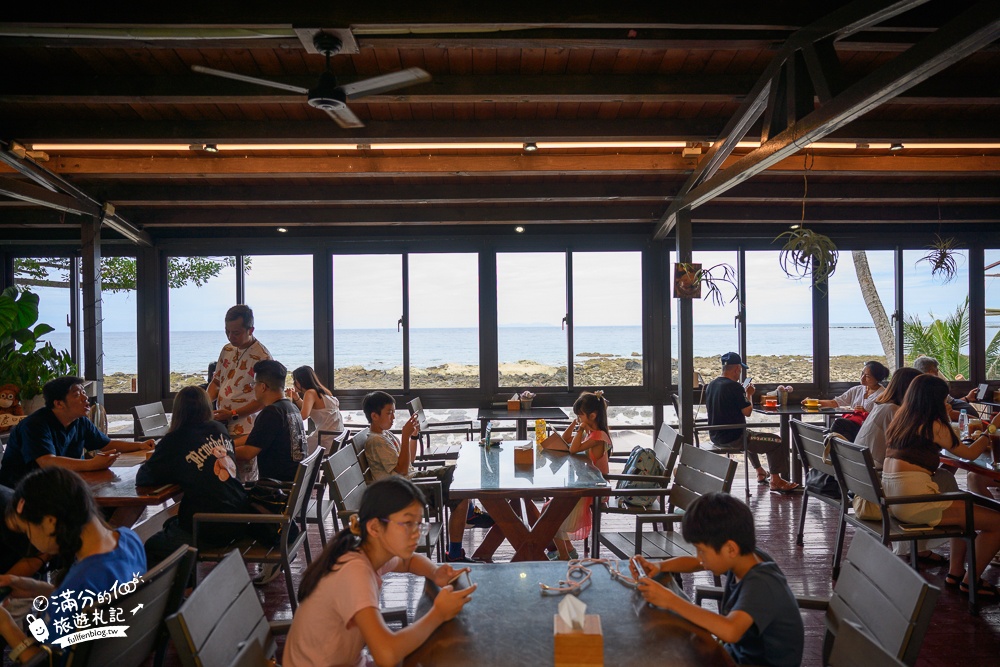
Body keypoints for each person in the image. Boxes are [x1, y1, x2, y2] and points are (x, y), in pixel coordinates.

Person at [283, 476, 475, 667]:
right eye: (408, 523)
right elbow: (386, 655)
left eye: (419, 524)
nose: (416, 533)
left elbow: (408, 562)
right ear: (375, 527)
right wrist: (438, 613)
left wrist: (434, 572)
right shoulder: (354, 571)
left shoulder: (367, 550)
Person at [630, 492, 803, 667]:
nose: (699, 557)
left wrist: (670, 600)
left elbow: (731, 631)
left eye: (701, 550)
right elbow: (697, 563)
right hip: (734, 655)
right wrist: (661, 566)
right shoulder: (746, 558)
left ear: (730, 549)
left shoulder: (762, 584)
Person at [0, 468, 147, 664]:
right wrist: (41, 589)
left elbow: (46, 664)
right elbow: (87, 599)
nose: (30, 540)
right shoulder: (128, 540)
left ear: (51, 522)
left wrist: (6, 624)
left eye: (27, 531)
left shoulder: (79, 585)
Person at [883, 374, 1000, 598]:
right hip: (916, 504)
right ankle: (971, 581)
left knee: (957, 496)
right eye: (944, 398)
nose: (947, 401)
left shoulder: (902, 419)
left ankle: (956, 574)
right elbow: (970, 454)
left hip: (896, 500)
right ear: (935, 400)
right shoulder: (933, 424)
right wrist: (991, 429)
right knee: (997, 522)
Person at [137, 386, 250, 568]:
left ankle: (178, 593)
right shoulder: (219, 428)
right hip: (240, 518)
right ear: (207, 407)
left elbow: (145, 478)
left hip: (209, 527)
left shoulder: (175, 439)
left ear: (178, 410)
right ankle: (188, 586)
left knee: (152, 546)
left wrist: (160, 460)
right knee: (171, 525)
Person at [362, 391, 477, 563]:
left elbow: (410, 461)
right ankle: (470, 519)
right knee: (455, 478)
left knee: (457, 484)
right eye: (389, 413)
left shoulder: (385, 435)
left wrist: (413, 436)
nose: (393, 416)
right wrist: (406, 435)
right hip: (402, 493)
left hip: (410, 482)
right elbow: (401, 471)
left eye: (394, 412)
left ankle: (464, 530)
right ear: (374, 416)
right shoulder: (376, 441)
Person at [0, 376, 154, 488]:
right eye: (77, 395)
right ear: (59, 403)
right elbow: (47, 462)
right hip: (22, 493)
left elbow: (106, 444)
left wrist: (140, 446)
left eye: (84, 393)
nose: (85, 398)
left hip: (60, 485)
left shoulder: (80, 421)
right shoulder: (35, 425)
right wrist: (91, 464)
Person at [705, 352, 799, 493]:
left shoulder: (712, 385)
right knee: (776, 441)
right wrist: (748, 394)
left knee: (750, 435)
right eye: (740, 370)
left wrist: (741, 394)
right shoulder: (734, 387)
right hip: (734, 437)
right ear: (737, 368)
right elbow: (747, 412)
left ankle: (760, 471)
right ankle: (776, 480)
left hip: (716, 435)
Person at [206, 304, 272, 483]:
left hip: (246, 428)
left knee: (243, 477)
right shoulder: (227, 349)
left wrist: (233, 413)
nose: (230, 337)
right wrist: (203, 405)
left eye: (236, 333)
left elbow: (264, 399)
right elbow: (217, 382)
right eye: (227, 331)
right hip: (222, 425)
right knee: (222, 474)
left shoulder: (262, 357)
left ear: (251, 329)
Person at [548, 391, 612, 560]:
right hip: (585, 483)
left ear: (593, 415)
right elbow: (565, 438)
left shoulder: (598, 436)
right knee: (549, 509)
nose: (578, 418)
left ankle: (564, 555)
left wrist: (581, 428)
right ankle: (566, 552)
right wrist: (575, 424)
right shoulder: (590, 431)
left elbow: (573, 449)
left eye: (580, 415)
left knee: (551, 515)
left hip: (593, 489)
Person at [233, 360, 307, 483]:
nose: (253, 388)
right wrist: (227, 443)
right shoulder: (290, 407)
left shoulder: (271, 412)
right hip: (295, 483)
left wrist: (218, 453)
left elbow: (247, 453)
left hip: (277, 489)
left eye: (253, 384)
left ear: (263, 387)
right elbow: (256, 437)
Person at [855, 367, 922, 469]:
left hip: (863, 470)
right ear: (911, 389)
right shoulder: (892, 410)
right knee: (942, 475)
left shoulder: (882, 406)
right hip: (876, 471)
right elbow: (908, 446)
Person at [286, 365, 344, 455]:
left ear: (301, 381)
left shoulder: (310, 393)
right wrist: (296, 397)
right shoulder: (323, 391)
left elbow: (304, 415)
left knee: (291, 448)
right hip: (336, 436)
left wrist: (287, 412)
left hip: (324, 439)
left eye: (295, 380)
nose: (294, 383)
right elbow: (311, 409)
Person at [803, 360, 889, 413]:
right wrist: (811, 402)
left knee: (839, 425)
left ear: (877, 378)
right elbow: (835, 403)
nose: (862, 378)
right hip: (853, 423)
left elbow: (882, 418)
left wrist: (866, 413)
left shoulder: (883, 395)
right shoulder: (856, 390)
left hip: (869, 429)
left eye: (867, 376)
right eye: (862, 373)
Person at [912, 355, 980, 420]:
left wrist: (967, 398)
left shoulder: (931, 386)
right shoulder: (927, 389)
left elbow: (951, 403)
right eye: (936, 370)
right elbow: (948, 412)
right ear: (930, 372)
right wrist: (976, 420)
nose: (937, 373)